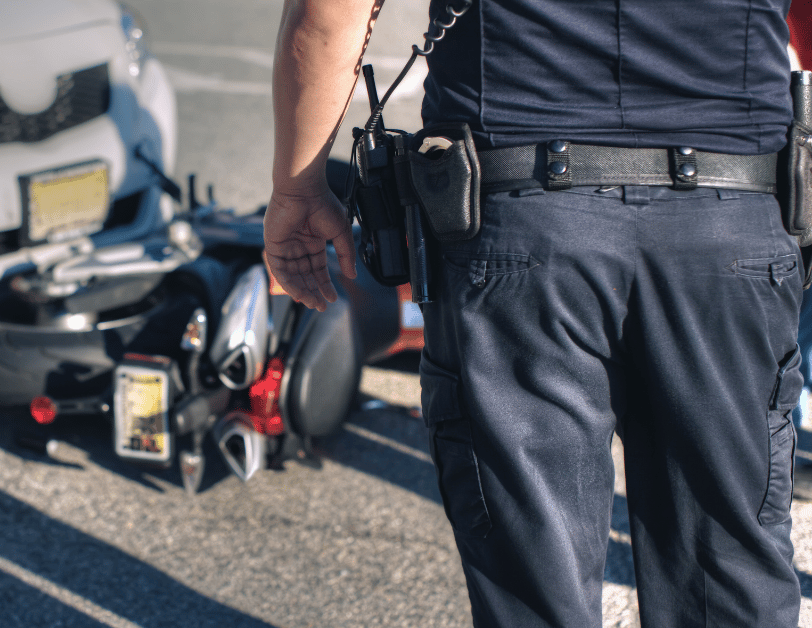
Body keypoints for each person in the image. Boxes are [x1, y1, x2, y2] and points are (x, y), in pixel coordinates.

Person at [264, 0, 803, 626]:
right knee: (729, 574)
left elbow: (329, 12)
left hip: (523, 225)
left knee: (532, 575)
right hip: (729, 221)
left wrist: (297, 189)